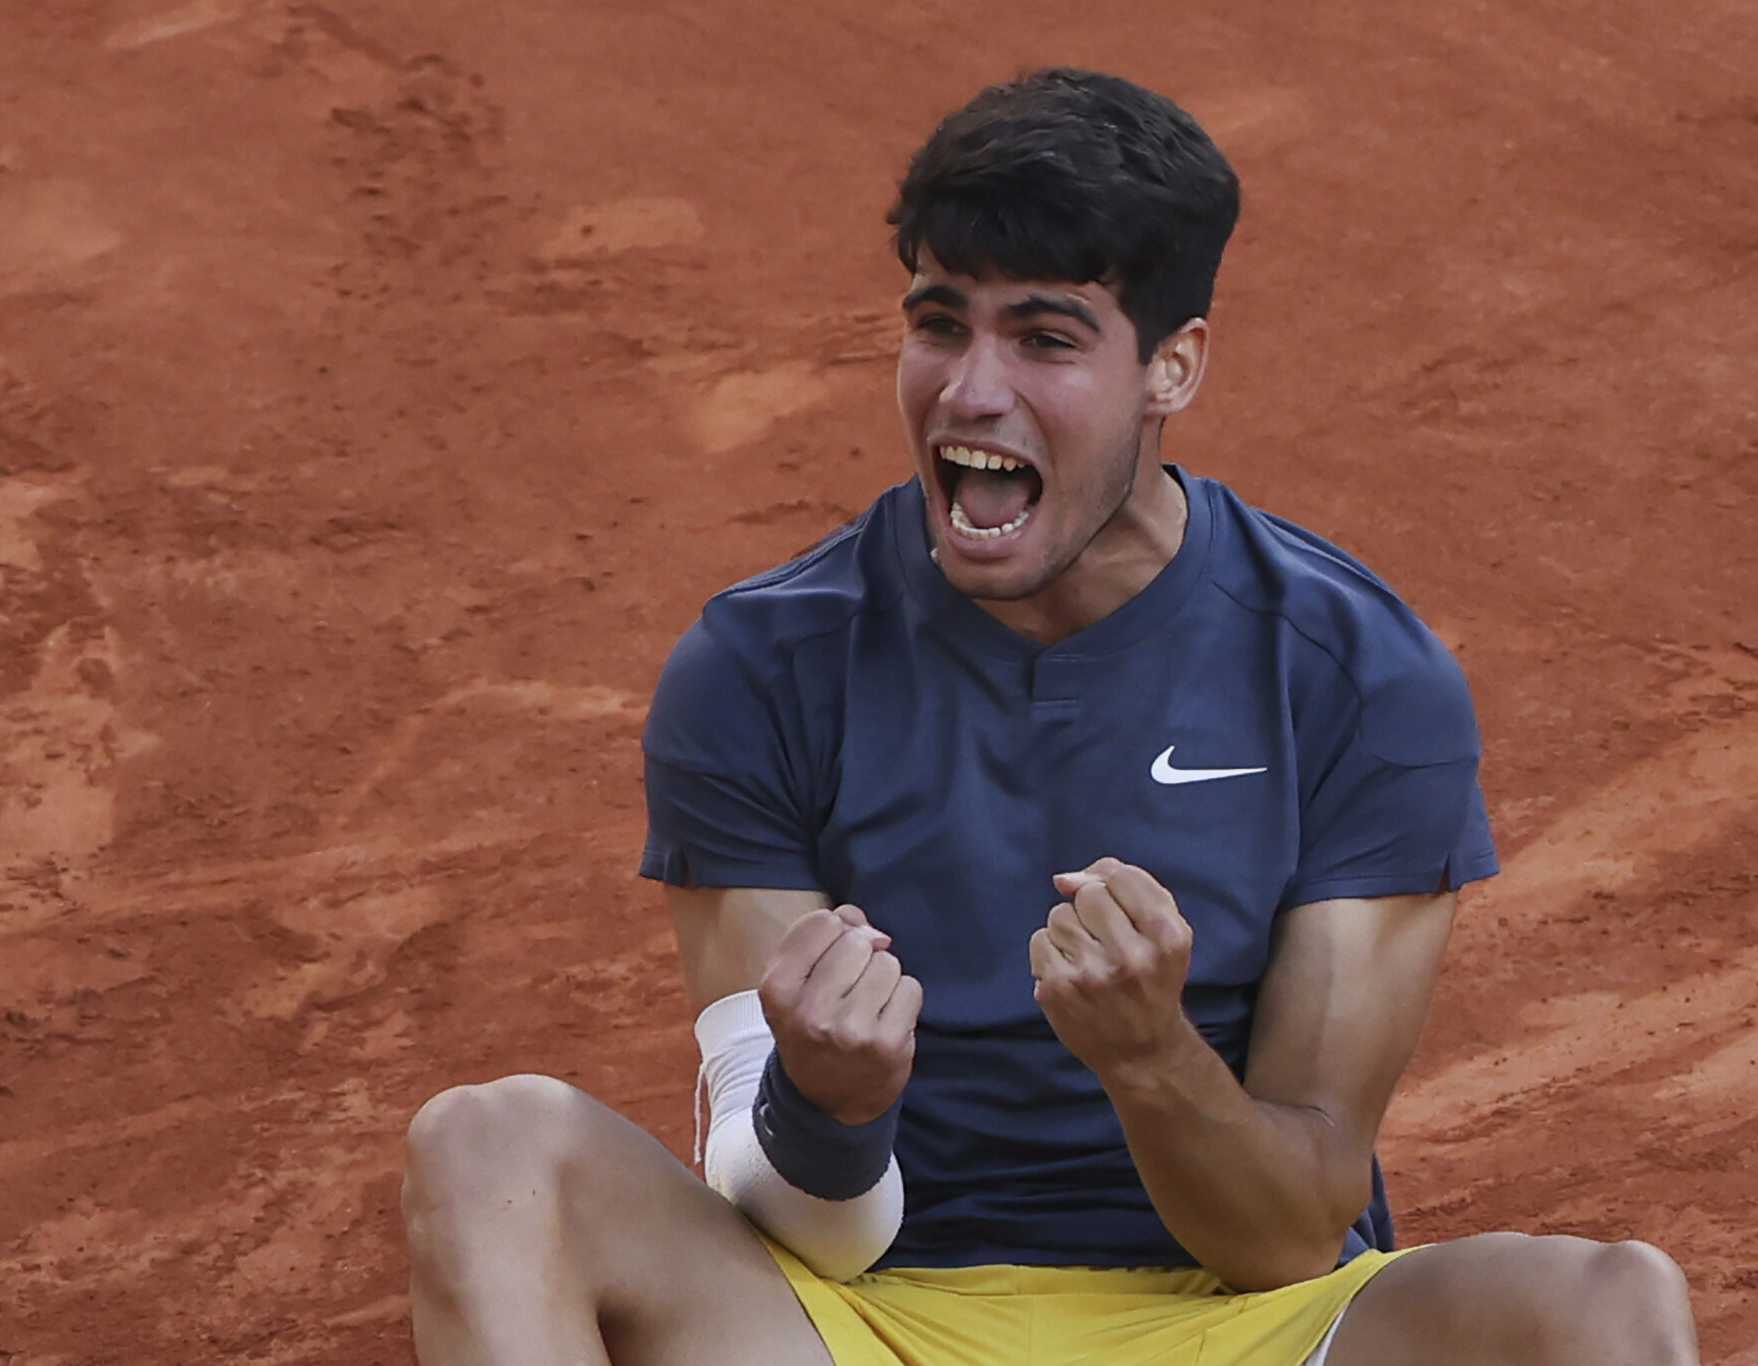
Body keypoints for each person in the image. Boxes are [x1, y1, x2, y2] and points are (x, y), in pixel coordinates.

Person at [401, 69, 1700, 1366]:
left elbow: (1295, 1231)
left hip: (1240, 1322)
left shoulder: (1355, 674)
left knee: (1611, 1306)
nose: (970, 390)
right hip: (859, 1321)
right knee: (490, 1146)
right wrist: (834, 1105)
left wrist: (1150, 1057)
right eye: (938, 323)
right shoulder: (763, 662)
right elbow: (798, 1219)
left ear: (1172, 366)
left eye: (1045, 337)